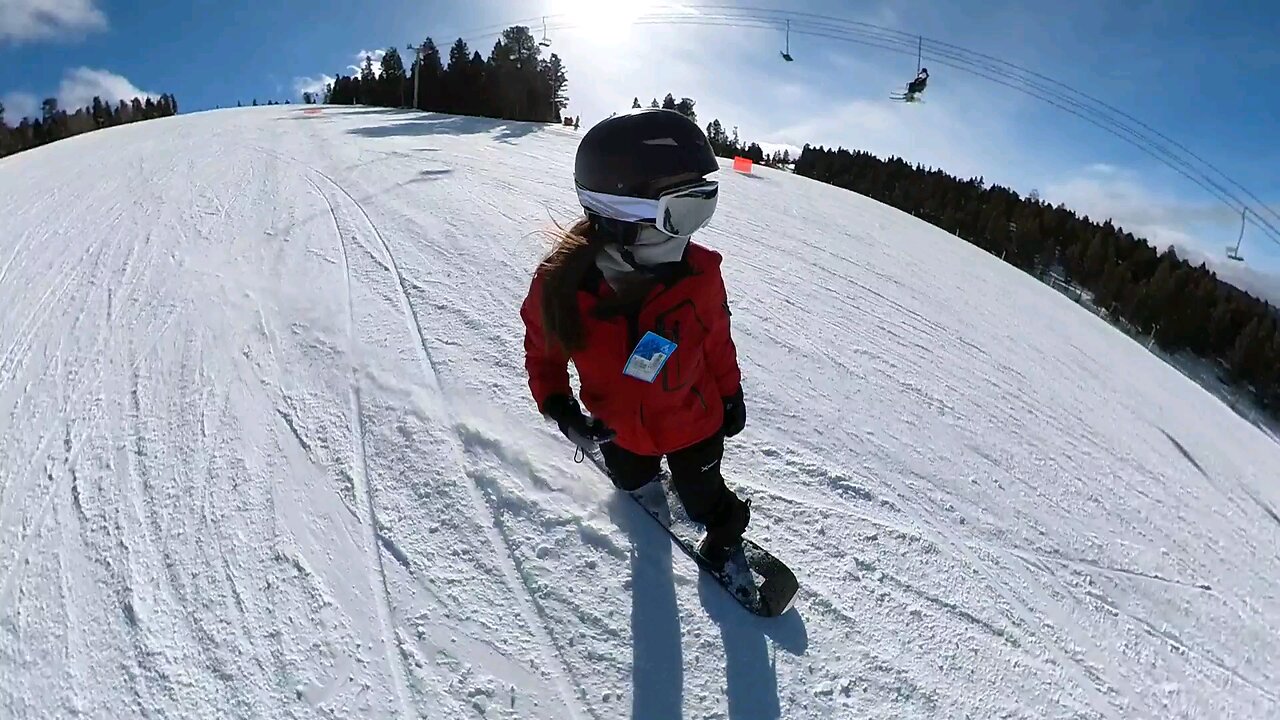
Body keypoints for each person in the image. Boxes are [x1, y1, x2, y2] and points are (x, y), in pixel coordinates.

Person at [520, 108, 751, 564]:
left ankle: (725, 535)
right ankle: (641, 489)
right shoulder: (562, 287)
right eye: (679, 212)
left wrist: (729, 393)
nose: (690, 233)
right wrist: (562, 408)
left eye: (703, 204)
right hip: (618, 430)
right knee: (631, 478)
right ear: (616, 210)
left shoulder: (700, 275)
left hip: (695, 425)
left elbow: (716, 341)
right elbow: (543, 356)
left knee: (704, 496)